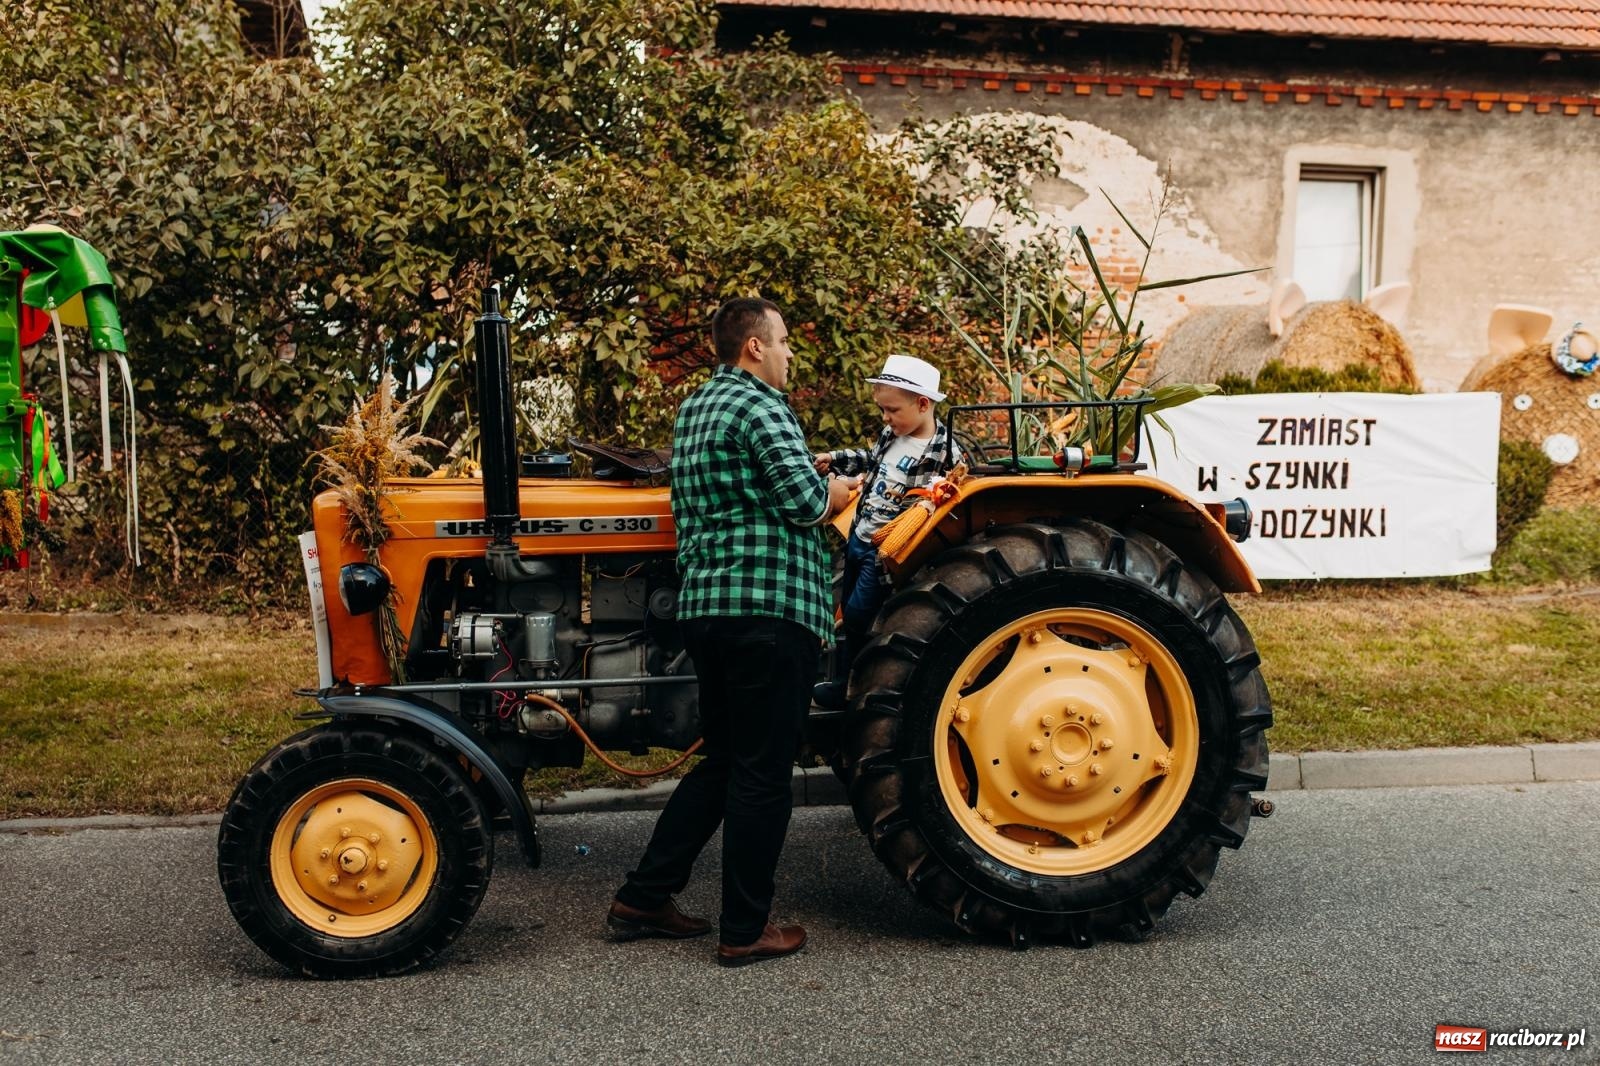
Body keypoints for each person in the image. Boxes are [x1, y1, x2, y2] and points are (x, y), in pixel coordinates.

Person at [607, 297, 854, 967]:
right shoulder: (763, 405)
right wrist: (841, 489)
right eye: (782, 342)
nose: (788, 354)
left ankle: (643, 895)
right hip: (770, 612)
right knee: (762, 774)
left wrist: (808, 467)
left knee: (724, 762)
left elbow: (750, 487)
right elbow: (806, 504)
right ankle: (745, 930)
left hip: (710, 611)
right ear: (753, 347)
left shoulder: (698, 408)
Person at [810, 353, 963, 710]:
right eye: (883, 410)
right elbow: (870, 460)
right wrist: (835, 458)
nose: (885, 418)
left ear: (923, 404)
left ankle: (862, 683)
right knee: (848, 610)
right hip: (860, 537)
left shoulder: (944, 452)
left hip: (886, 551)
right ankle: (844, 681)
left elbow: (949, 495)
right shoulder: (891, 436)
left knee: (862, 614)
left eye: (892, 410)